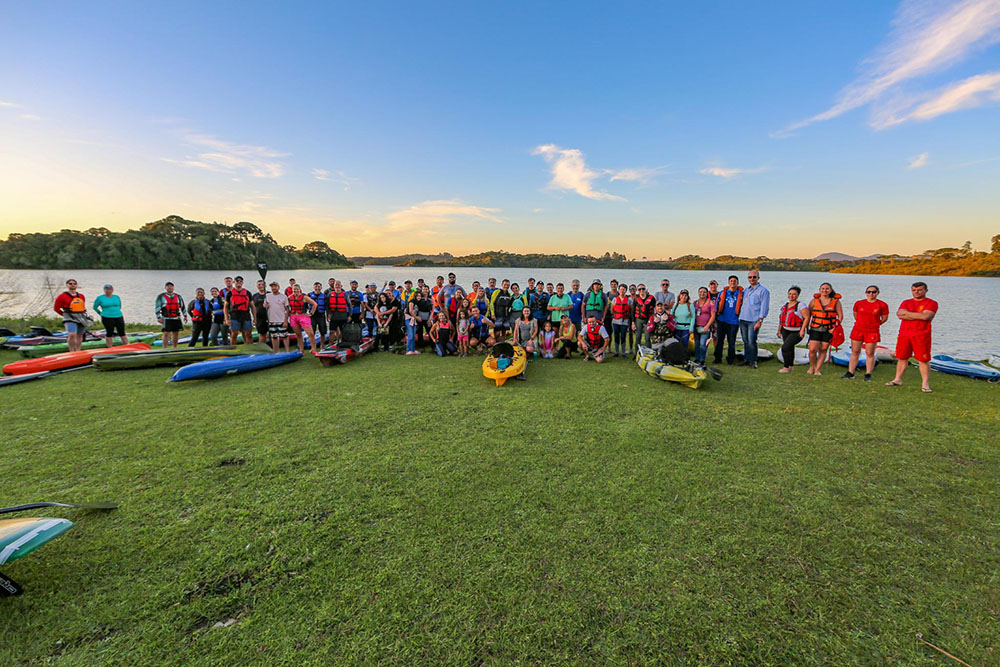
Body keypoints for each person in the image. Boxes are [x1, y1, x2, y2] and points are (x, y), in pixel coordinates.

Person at [886, 282, 938, 393]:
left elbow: (926, 316)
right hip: (904, 334)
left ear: (926, 290)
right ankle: (897, 379)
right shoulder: (906, 302)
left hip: (921, 335)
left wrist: (908, 314)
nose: (916, 292)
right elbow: (899, 314)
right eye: (914, 290)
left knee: (923, 360)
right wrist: (918, 315)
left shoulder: (931, 303)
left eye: (919, 290)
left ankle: (925, 384)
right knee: (902, 357)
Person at [843, 285, 889, 381]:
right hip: (858, 330)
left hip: (872, 331)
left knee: (870, 353)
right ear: (866, 293)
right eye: (869, 292)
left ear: (877, 293)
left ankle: (868, 374)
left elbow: (884, 318)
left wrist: (875, 324)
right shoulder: (859, 303)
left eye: (873, 292)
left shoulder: (882, 305)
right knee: (855, 352)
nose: (871, 294)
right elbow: (856, 315)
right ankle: (850, 372)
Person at [801, 282, 843, 376]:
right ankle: (812, 367)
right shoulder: (813, 301)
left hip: (828, 329)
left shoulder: (836, 302)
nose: (825, 290)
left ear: (830, 290)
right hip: (815, 328)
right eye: (823, 288)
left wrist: (834, 328)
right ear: (820, 290)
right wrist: (805, 327)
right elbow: (808, 315)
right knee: (812, 349)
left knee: (823, 349)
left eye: (827, 288)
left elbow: (840, 316)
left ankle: (817, 369)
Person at [738, 270, 769, 369]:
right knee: (745, 340)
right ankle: (746, 359)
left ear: (758, 278)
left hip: (754, 320)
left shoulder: (763, 291)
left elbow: (764, 307)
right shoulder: (746, 290)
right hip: (743, 319)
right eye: (750, 277)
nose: (752, 279)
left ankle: (753, 360)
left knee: (752, 340)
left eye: (754, 277)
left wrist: (760, 320)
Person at [776, 286, 807, 373]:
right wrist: (779, 330)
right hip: (785, 330)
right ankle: (790, 366)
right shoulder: (785, 306)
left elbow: (807, 318)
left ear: (798, 295)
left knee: (785, 348)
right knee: (790, 348)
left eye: (794, 294)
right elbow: (781, 320)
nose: (791, 296)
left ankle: (785, 367)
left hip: (796, 331)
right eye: (790, 294)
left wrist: (802, 330)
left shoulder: (801, 305)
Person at [53, 278, 89, 352]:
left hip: (80, 316)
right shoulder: (62, 296)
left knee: (79, 334)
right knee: (72, 334)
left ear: (76, 285)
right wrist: (64, 315)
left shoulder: (81, 296)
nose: (72, 285)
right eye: (70, 283)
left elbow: (82, 306)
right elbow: (56, 308)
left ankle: (78, 350)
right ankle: (71, 351)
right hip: (69, 316)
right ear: (67, 285)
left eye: (74, 283)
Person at [713, 276, 742, 365]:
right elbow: (716, 305)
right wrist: (714, 317)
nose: (733, 282)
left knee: (731, 341)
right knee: (719, 340)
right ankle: (718, 358)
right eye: (731, 281)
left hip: (734, 321)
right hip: (722, 320)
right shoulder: (722, 293)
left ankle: (730, 359)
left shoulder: (741, 294)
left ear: (737, 283)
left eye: (735, 281)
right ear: (728, 282)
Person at [287, 285, 318, 355]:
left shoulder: (304, 297)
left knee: (311, 334)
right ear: (292, 290)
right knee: (298, 334)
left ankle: (314, 349)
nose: (296, 291)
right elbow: (285, 306)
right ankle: (301, 350)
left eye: (297, 289)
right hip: (293, 317)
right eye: (294, 290)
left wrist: (311, 313)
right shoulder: (289, 298)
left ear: (300, 289)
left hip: (303, 316)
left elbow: (315, 304)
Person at [224, 276, 255, 345]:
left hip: (246, 316)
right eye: (237, 281)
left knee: (248, 335)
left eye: (240, 281)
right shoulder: (229, 293)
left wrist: (255, 318)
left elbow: (252, 306)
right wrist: (226, 319)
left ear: (242, 283)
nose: (239, 282)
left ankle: (249, 349)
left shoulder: (248, 293)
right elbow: (225, 307)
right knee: (234, 334)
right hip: (234, 316)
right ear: (234, 282)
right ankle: (233, 350)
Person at [155, 282, 187, 349]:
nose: (170, 288)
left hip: (176, 318)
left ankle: (174, 348)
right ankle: (165, 348)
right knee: (166, 333)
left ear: (173, 287)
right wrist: (158, 317)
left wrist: (185, 316)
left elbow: (182, 306)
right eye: (168, 286)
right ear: (166, 288)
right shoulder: (161, 297)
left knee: (176, 333)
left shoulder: (178, 296)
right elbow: (157, 307)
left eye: (171, 286)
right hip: (166, 317)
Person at [264, 281, 291, 353]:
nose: (274, 288)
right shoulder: (267, 296)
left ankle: (287, 351)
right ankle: (276, 351)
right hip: (272, 320)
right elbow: (265, 306)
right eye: (272, 286)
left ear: (278, 287)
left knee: (285, 336)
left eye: (275, 286)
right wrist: (265, 305)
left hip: (281, 320)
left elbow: (287, 309)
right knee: (274, 337)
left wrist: (286, 321)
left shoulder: (283, 296)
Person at [693, 287, 716, 365]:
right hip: (696, 326)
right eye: (700, 292)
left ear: (707, 293)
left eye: (704, 292)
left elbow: (713, 316)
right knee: (697, 344)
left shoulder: (710, 303)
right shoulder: (695, 303)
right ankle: (697, 359)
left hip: (705, 327)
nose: (702, 293)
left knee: (703, 344)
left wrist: (707, 326)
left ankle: (702, 360)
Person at [610, 284, 631, 357]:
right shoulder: (615, 299)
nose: (622, 291)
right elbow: (612, 309)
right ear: (619, 290)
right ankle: (616, 352)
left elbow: (631, 310)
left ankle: (623, 352)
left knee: (623, 336)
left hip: (624, 321)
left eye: (624, 289)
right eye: (621, 289)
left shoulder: (629, 300)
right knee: (616, 335)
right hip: (616, 320)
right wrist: (616, 315)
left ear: (626, 291)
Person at [632, 284, 655, 350]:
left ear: (645, 290)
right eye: (639, 289)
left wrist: (654, 319)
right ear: (637, 291)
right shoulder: (636, 299)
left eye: (643, 289)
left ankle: (649, 354)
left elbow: (655, 309)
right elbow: (633, 311)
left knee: (647, 337)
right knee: (638, 337)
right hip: (638, 320)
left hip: (648, 320)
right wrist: (633, 323)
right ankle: (637, 354)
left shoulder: (651, 298)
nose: (641, 290)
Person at [308, 282, 329, 346]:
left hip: (321, 316)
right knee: (312, 332)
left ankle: (322, 346)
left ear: (321, 287)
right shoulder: (309, 295)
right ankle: (313, 346)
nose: (317, 288)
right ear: (314, 287)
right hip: (312, 316)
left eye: (319, 286)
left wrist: (328, 316)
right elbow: (305, 305)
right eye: (316, 286)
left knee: (322, 332)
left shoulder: (324, 296)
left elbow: (327, 307)